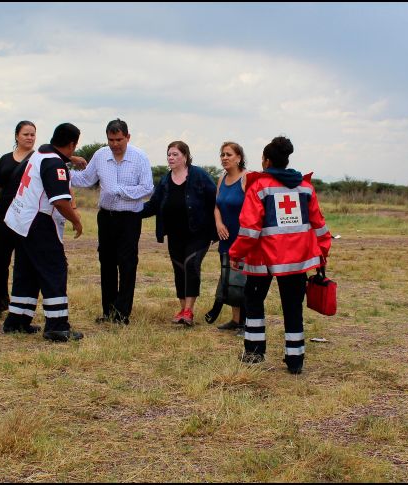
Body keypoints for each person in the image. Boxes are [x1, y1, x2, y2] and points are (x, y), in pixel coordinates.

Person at [229, 136, 331, 375]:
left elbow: (249, 230)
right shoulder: (306, 188)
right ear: (286, 161)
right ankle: (295, 361)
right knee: (293, 307)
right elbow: (320, 226)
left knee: (254, 304)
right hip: (297, 260)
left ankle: (254, 354)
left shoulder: (260, 187)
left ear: (266, 161)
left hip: (262, 259)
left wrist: (236, 253)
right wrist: (322, 253)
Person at [2, 123, 84, 342]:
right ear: (72, 144)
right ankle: (57, 326)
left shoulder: (41, 153)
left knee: (26, 272)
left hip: (19, 222)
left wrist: (71, 160)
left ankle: (17, 320)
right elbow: (60, 202)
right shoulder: (54, 164)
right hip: (38, 223)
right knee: (54, 270)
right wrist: (76, 221)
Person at [68, 119, 154, 325]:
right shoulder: (100, 155)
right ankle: (108, 311)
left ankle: (122, 314)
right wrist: (60, 172)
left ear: (128, 137)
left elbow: (147, 188)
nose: (114, 144)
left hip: (130, 218)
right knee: (106, 263)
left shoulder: (139, 157)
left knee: (127, 263)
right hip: (106, 217)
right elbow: (86, 179)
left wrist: (120, 191)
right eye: (111, 140)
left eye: (119, 139)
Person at [140, 141, 217, 326]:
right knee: (179, 269)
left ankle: (189, 310)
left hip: (198, 232)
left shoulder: (199, 175)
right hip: (174, 233)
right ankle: (183, 308)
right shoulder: (165, 180)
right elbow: (153, 204)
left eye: (175, 154)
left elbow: (215, 200)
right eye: (169, 154)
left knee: (191, 265)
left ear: (185, 156)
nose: (171, 158)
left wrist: (218, 227)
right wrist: (130, 212)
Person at [0, 121, 36, 319]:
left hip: (26, 217)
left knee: (24, 263)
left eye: (32, 134)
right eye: (26, 134)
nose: (29, 138)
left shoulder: (38, 159)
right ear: (16, 136)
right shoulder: (5, 159)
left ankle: (21, 305)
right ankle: (0, 301)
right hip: (3, 216)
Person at [204, 142, 248, 333]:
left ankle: (246, 323)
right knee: (229, 278)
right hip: (225, 236)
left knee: (242, 280)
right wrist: (219, 224)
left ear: (239, 157)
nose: (224, 158)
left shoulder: (247, 178)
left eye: (229, 154)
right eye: (222, 154)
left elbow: (252, 208)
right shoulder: (222, 178)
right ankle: (235, 319)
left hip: (242, 238)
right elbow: (216, 206)